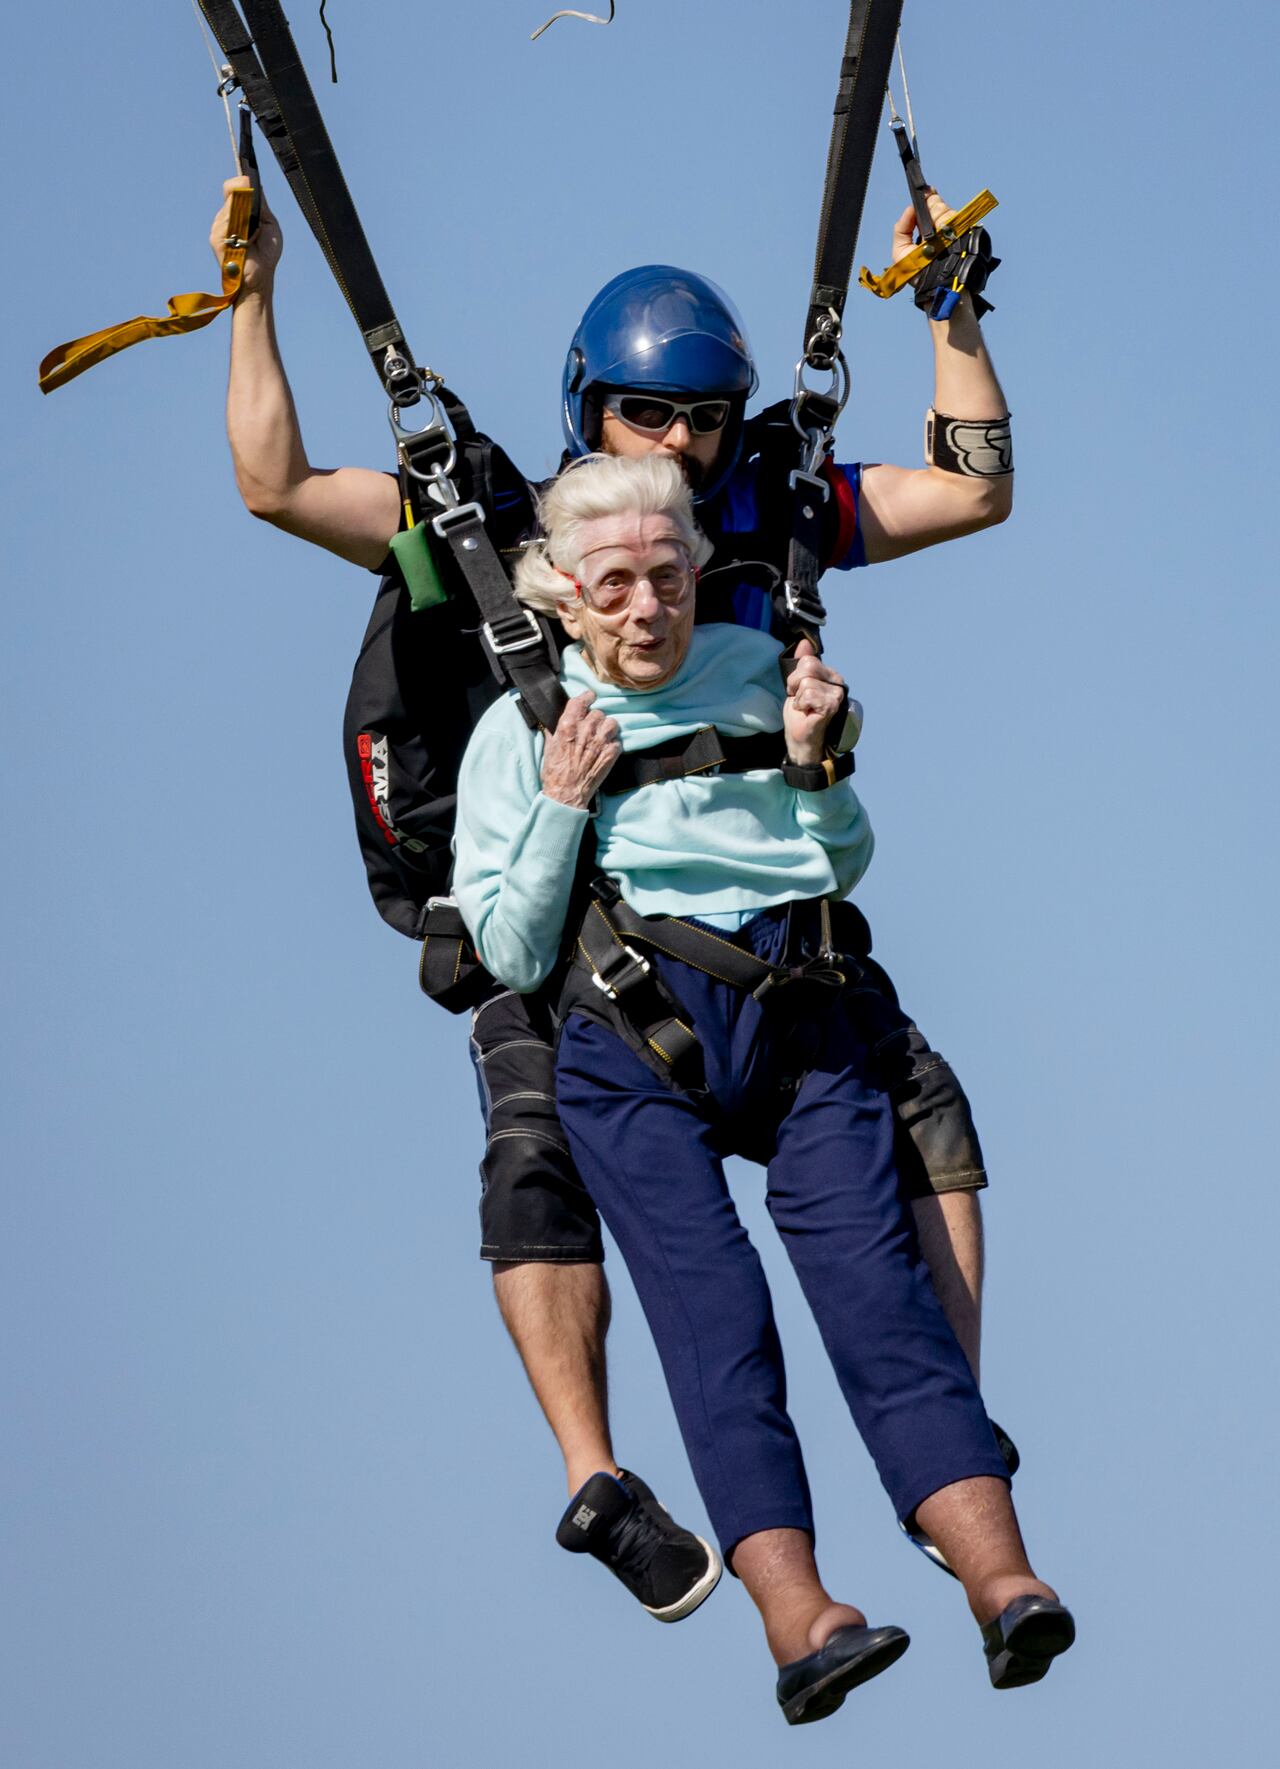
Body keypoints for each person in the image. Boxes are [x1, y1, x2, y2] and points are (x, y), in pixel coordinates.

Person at [210, 174, 1014, 1613]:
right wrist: (254, 299)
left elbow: (971, 487)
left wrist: (952, 315)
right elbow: (278, 486)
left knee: (922, 1106)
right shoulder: (504, 523)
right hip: (559, 910)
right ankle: (595, 1478)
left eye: (705, 417)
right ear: (592, 409)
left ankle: (945, 1429)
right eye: (650, 415)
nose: (681, 443)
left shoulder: (767, 506)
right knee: (533, 1150)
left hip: (750, 912)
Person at [450, 452, 1072, 1722]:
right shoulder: (518, 731)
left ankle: (1001, 1579)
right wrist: (562, 802)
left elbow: (838, 858)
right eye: (613, 585)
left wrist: (813, 765)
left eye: (667, 577)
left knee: (879, 1296)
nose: (645, 607)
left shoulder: (756, 670)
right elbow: (508, 953)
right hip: (630, 1046)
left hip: (797, 1019)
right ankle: (800, 1620)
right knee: (716, 1318)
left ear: (696, 572)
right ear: (563, 594)